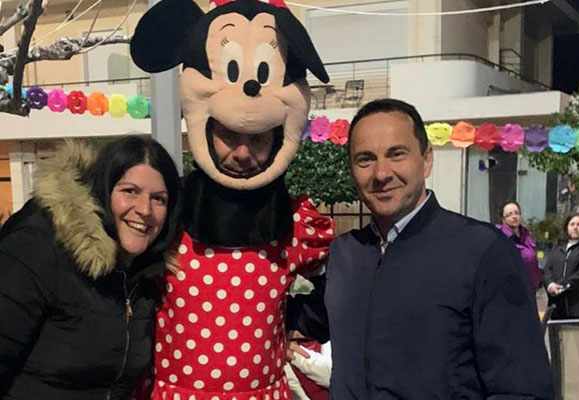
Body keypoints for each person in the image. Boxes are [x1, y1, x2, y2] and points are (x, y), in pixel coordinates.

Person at [129, 0, 333, 398]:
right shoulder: (166, 210)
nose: (242, 153)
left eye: (257, 139)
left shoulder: (296, 221)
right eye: (227, 135)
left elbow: (336, 293)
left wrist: (294, 322)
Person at [324, 98, 554, 399]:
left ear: (427, 160)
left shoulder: (482, 251)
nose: (381, 174)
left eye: (397, 154)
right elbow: (288, 315)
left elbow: (522, 389)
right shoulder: (345, 254)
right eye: (365, 159)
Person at [0, 137, 182, 400]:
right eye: (130, 191)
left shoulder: (142, 276)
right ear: (102, 192)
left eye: (159, 199)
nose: (145, 209)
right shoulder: (39, 249)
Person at [543, 213, 579, 320]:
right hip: (557, 305)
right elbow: (547, 269)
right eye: (572, 224)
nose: (575, 227)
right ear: (567, 227)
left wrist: (562, 285)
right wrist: (550, 285)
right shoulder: (558, 245)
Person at [496, 201, 542, 292]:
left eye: (516, 213)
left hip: (531, 288)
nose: (514, 216)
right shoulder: (499, 237)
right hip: (511, 291)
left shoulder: (526, 234)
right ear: (503, 219)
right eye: (509, 214)